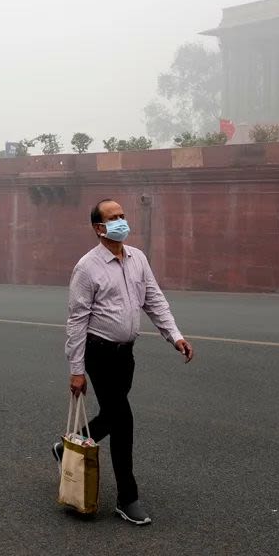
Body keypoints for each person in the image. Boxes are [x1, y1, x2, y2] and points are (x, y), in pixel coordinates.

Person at [54, 199, 194, 526]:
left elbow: (154, 300)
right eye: (113, 218)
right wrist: (76, 371)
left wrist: (175, 336)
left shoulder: (138, 259)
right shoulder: (87, 268)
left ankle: (67, 448)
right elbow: (76, 321)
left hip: (125, 355)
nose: (121, 221)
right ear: (99, 228)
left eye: (122, 215)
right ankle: (127, 498)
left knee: (113, 415)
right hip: (98, 352)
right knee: (124, 420)